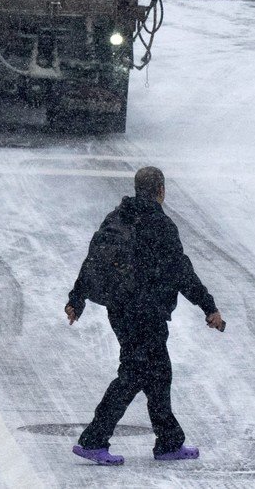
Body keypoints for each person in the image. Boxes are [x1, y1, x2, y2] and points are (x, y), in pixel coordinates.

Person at [65, 166, 227, 465]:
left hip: (120, 310)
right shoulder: (160, 226)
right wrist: (209, 306)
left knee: (159, 373)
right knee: (134, 373)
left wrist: (77, 297)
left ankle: (168, 442)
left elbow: (93, 260)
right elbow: (182, 272)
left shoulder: (117, 217)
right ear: (161, 190)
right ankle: (94, 439)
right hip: (146, 312)